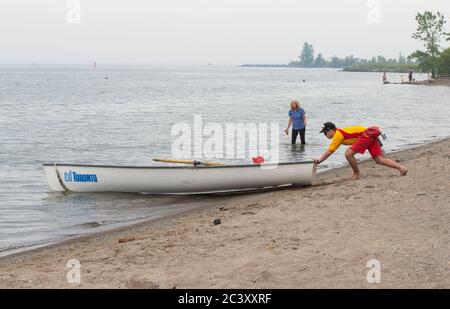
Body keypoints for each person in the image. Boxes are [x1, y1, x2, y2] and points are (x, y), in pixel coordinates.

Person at [314, 122, 408, 180]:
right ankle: (402, 168)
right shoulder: (340, 133)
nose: (325, 135)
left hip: (367, 135)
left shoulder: (338, 134)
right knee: (379, 160)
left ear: (330, 130)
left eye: (325, 132)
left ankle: (357, 174)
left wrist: (319, 161)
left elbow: (330, 151)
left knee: (348, 154)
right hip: (370, 135)